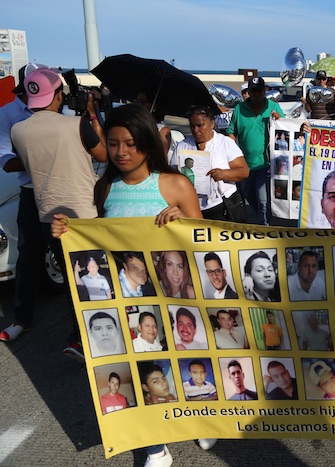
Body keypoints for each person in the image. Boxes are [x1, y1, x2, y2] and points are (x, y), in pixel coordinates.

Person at [50, 103, 205, 462]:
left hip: (174, 297)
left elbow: (203, 240)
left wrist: (182, 218)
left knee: (184, 364)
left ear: (148, 144)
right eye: (114, 143)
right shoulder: (105, 188)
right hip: (130, 301)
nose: (121, 152)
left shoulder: (175, 184)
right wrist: (68, 232)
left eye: (131, 143)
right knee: (142, 370)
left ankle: (200, 423)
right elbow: (103, 242)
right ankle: (156, 446)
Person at [13, 68, 107, 356]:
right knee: (94, 275)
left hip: (48, 215)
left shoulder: (18, 130)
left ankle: (79, 335)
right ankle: (88, 335)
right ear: (56, 95)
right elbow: (103, 154)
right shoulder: (76, 124)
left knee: (70, 276)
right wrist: (91, 113)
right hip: (84, 212)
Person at [0, 63, 45, 343]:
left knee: (69, 260)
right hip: (30, 191)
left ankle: (80, 325)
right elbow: (5, 160)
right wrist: (38, 158)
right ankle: (21, 320)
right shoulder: (8, 113)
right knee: (27, 258)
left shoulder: (55, 111)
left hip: (58, 191)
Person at [172, 106, 249, 222]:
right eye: (192, 126)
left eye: (200, 125)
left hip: (221, 206)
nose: (196, 130)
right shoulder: (183, 145)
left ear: (212, 124)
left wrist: (223, 174)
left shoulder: (225, 143)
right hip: (192, 207)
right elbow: (171, 173)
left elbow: (244, 171)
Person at [227, 76, 284, 225]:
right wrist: (231, 148)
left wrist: (279, 120)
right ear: (249, 92)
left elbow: (286, 130)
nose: (256, 94)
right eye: (253, 91)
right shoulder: (239, 109)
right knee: (250, 198)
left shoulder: (274, 107)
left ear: (264, 91)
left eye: (259, 90)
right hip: (245, 165)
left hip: (266, 164)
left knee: (263, 201)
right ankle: (262, 220)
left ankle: (264, 230)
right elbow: (231, 131)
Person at [133, 89, 172, 157]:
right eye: (136, 101)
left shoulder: (162, 130)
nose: (138, 106)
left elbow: (160, 156)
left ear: (154, 106)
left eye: (141, 102)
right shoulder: (134, 125)